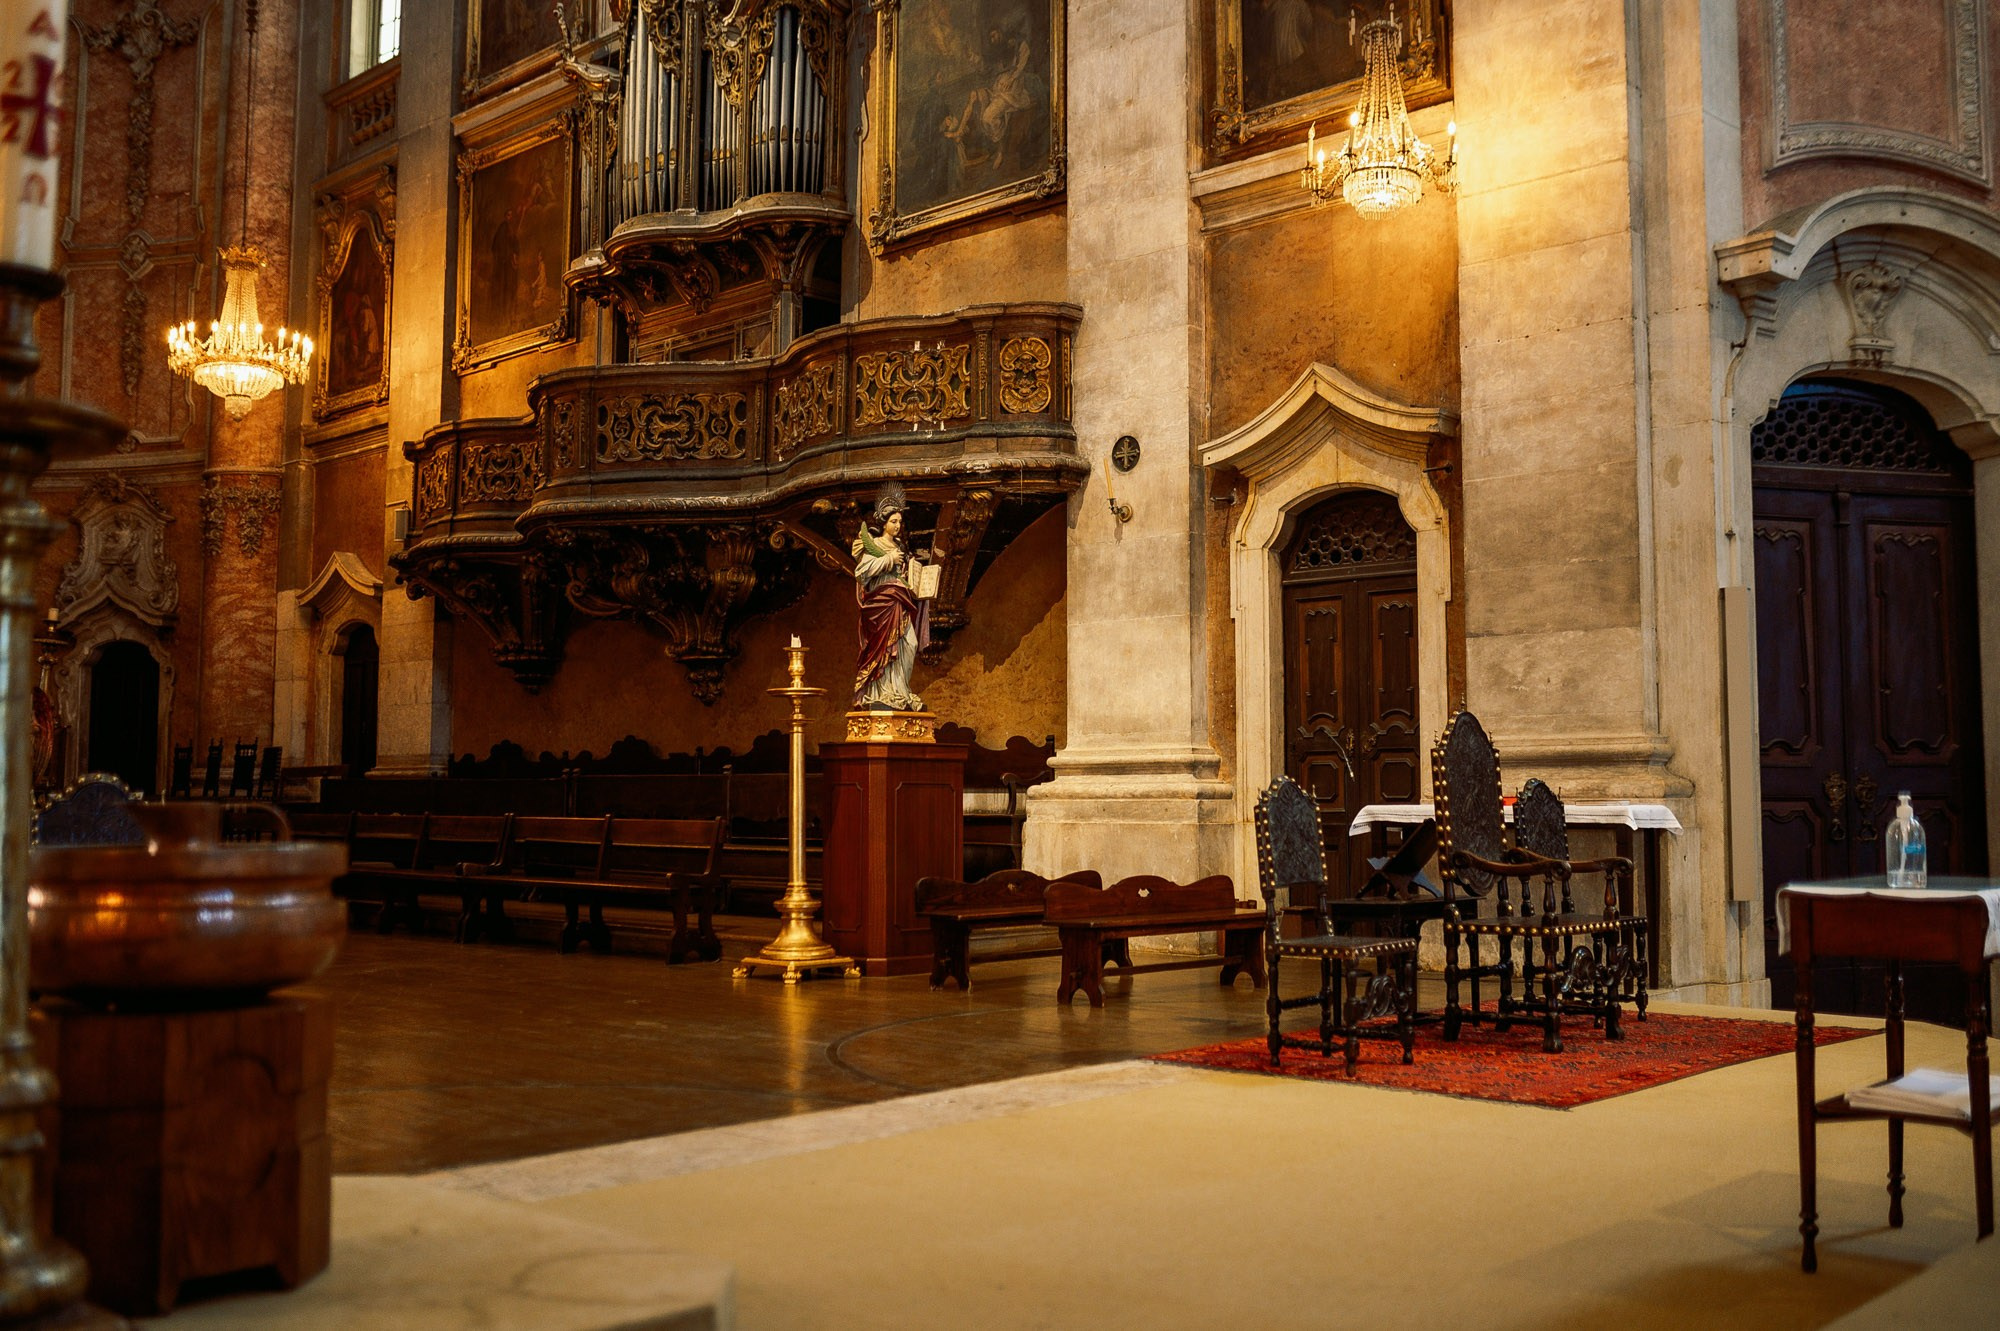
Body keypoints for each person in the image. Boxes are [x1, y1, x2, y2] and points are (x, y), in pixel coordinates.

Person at [851, 492, 931, 711]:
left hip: (900, 601)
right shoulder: (874, 544)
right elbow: (862, 572)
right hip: (882, 604)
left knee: (910, 644)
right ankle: (883, 692)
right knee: (885, 648)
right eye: (893, 521)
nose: (897, 526)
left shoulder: (901, 548)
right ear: (884, 523)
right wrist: (888, 559)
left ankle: (901, 691)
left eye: (900, 522)